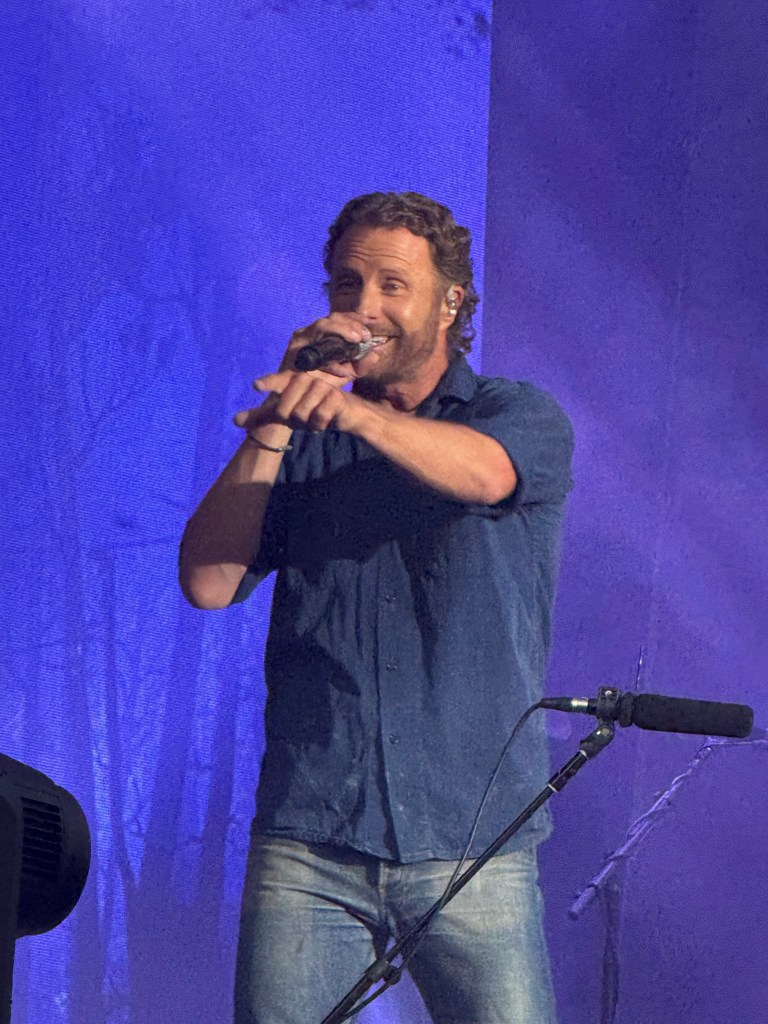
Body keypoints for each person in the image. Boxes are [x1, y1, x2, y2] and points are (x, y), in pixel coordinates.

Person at [179, 191, 573, 1024]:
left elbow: (485, 475)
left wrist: (351, 413)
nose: (365, 306)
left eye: (393, 285)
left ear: (450, 302)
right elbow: (208, 584)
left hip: (475, 838)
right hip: (312, 836)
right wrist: (275, 426)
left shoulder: (516, 413)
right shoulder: (304, 439)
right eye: (347, 284)